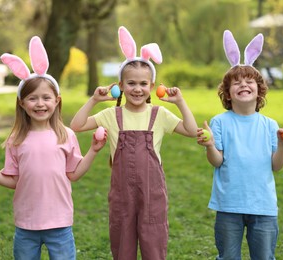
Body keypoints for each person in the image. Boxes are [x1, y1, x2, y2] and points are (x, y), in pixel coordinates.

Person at [0, 36, 106, 260]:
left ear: (57, 101)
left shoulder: (66, 135)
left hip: (59, 223)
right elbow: (12, 180)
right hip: (26, 224)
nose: (40, 104)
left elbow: (74, 173)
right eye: (32, 98)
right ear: (22, 103)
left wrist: (94, 150)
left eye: (46, 98)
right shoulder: (16, 140)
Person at [70, 26, 198, 260]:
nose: (137, 89)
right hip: (122, 195)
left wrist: (180, 102)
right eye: (131, 83)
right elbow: (76, 126)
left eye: (142, 84)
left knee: (153, 242)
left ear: (151, 86)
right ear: (121, 85)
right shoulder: (111, 115)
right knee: (122, 243)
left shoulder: (159, 114)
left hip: (152, 194)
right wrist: (94, 100)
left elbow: (191, 131)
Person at [196, 30, 283, 260]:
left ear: (259, 90)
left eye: (249, 81)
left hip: (263, 206)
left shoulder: (270, 125)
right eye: (236, 83)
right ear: (228, 94)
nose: (243, 85)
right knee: (228, 257)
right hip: (229, 205)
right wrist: (210, 144)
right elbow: (217, 161)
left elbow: (276, 166)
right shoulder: (219, 122)